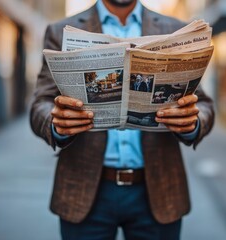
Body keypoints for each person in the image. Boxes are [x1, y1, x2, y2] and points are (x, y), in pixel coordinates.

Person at [30, 0, 214, 239]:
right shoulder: (61, 31)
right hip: (83, 188)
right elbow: (40, 104)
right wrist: (56, 124)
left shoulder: (177, 30)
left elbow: (204, 104)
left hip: (158, 189)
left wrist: (192, 122)